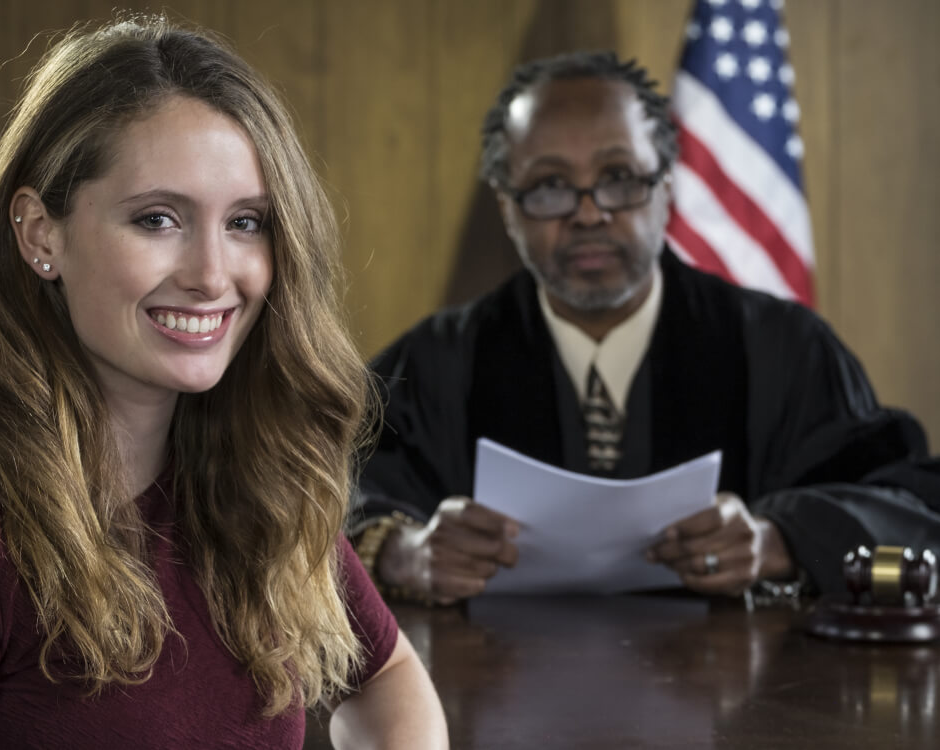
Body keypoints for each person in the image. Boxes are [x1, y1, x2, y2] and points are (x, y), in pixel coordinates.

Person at [0, 17, 447, 749]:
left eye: (246, 222)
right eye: (158, 219)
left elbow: (387, 681)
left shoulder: (259, 482)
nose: (212, 275)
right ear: (39, 235)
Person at [351, 50, 940, 606]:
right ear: (507, 206)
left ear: (666, 187)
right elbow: (307, 499)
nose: (588, 213)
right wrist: (399, 551)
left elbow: (908, 503)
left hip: (756, 705)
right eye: (550, 186)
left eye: (620, 176)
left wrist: (779, 540)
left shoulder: (785, 349)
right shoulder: (434, 364)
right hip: (482, 699)